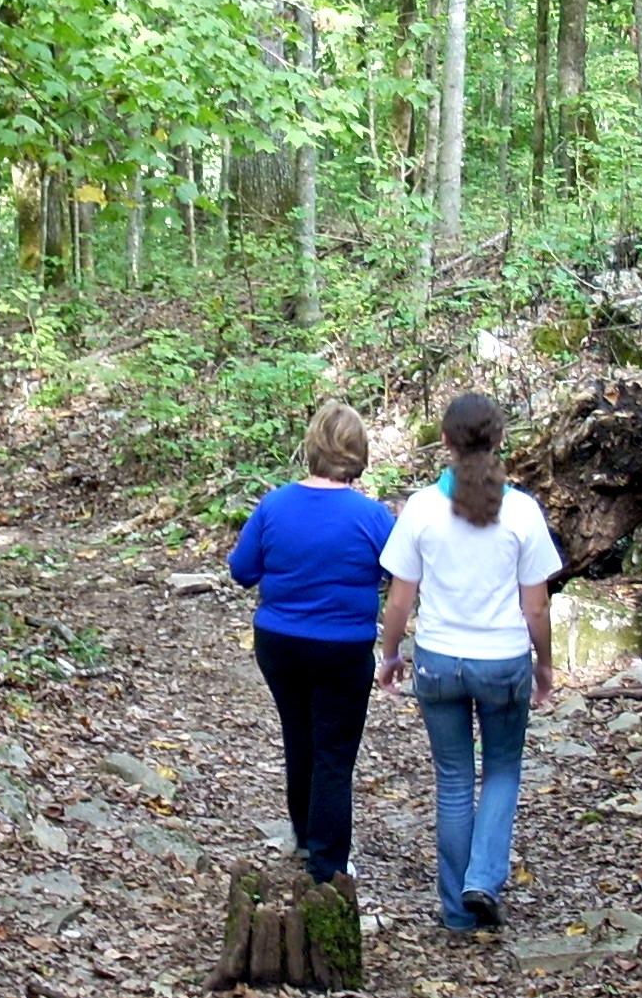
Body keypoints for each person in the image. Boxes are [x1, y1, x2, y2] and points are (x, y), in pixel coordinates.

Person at [376, 391, 562, 932]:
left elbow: (400, 599)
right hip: (503, 661)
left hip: (438, 662)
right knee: (502, 769)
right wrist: (544, 665)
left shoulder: (420, 508)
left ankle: (458, 910)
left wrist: (390, 655)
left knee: (454, 780)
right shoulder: (524, 511)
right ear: (501, 439)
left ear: (446, 442)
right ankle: (484, 875)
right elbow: (536, 605)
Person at [230, 402, 393, 885]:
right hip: (343, 647)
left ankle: (305, 839)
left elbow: (241, 570)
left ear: (312, 447)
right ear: (358, 452)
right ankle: (328, 866)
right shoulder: (371, 515)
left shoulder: (274, 504)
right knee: (333, 755)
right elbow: (399, 571)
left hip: (280, 642)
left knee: (299, 738)